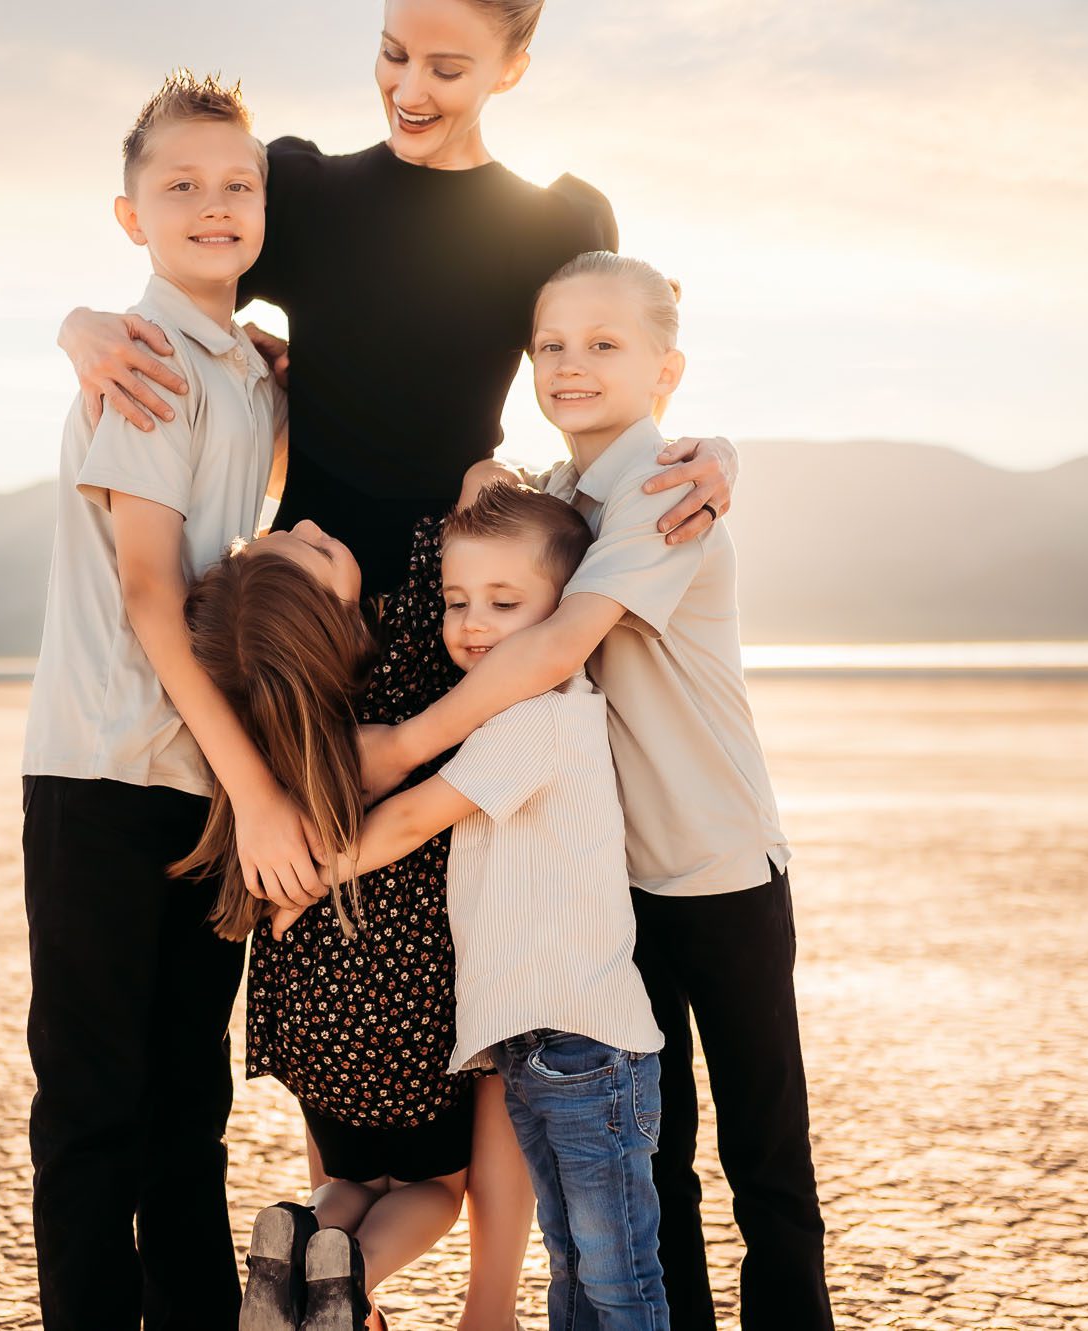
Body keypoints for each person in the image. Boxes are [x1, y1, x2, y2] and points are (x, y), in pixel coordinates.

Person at [58, 7, 741, 1322]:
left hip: (470, 604)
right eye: (390, 52)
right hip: (305, 619)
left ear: (513, 67)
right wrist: (81, 323)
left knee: (477, 952)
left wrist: (718, 450)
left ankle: (482, 1301)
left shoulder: (557, 214)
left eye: (445, 65)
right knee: (324, 940)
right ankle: (341, 1272)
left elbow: (624, 349)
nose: (408, 87)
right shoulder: (305, 184)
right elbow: (189, 270)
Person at [362, 252, 837, 1329]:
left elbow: (561, 639)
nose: (570, 364)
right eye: (550, 345)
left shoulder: (665, 488)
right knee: (651, 1159)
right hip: (613, 888)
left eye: (602, 344)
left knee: (766, 1154)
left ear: (665, 370)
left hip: (716, 865)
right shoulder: (562, 497)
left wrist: (402, 745)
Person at [19, 73, 324, 1331]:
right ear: (129, 213)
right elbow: (153, 595)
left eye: (236, 184)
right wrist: (259, 793)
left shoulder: (253, 373)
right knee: (94, 1108)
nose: (213, 204)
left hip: (200, 777)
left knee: (185, 1111)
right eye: (179, 186)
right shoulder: (143, 360)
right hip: (103, 773)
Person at [272, 482, 671, 1329]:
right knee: (576, 1259)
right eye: (456, 601)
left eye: (503, 601)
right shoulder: (501, 720)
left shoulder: (539, 721)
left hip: (582, 1039)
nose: (472, 623)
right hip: (538, 1040)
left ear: (564, 613)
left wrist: (308, 875)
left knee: (614, 1269)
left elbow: (413, 817)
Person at [180, 515, 476, 1331]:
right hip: (406, 1005)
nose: (309, 521)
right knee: (434, 1187)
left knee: (351, 1180)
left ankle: (303, 1233)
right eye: (311, 550)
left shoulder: (265, 738)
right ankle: (354, 1276)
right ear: (339, 624)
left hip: (309, 1017)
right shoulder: (408, 663)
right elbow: (444, 565)